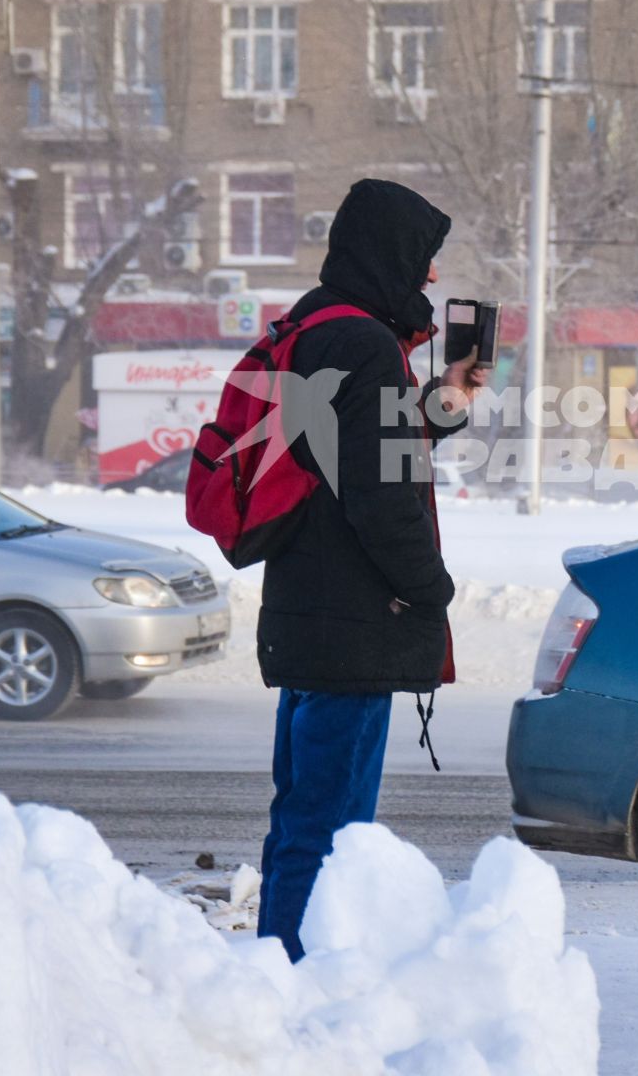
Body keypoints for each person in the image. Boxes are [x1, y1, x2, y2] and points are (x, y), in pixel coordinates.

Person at [254, 178, 488, 961]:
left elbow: (355, 456)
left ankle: (275, 973)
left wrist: (446, 400)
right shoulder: (363, 344)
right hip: (354, 628)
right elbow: (383, 498)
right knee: (329, 836)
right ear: (390, 253)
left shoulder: (317, 325)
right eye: (423, 259)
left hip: (311, 617)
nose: (429, 278)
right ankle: (296, 986)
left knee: (300, 823)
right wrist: (431, 591)